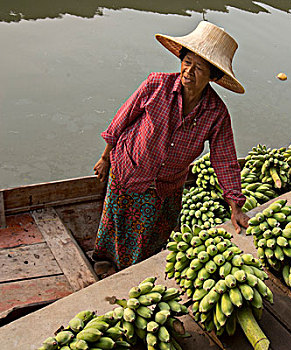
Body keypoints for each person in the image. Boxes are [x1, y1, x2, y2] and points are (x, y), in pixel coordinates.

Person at [91, 21, 250, 271]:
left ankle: (131, 273)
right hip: (130, 169)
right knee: (115, 223)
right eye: (187, 62)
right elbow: (123, 117)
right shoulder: (156, 85)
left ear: (213, 77)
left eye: (199, 68)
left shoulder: (216, 113)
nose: (189, 71)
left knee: (148, 236)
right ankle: (104, 261)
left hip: (166, 185)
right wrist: (105, 157)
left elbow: (225, 160)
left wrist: (236, 206)